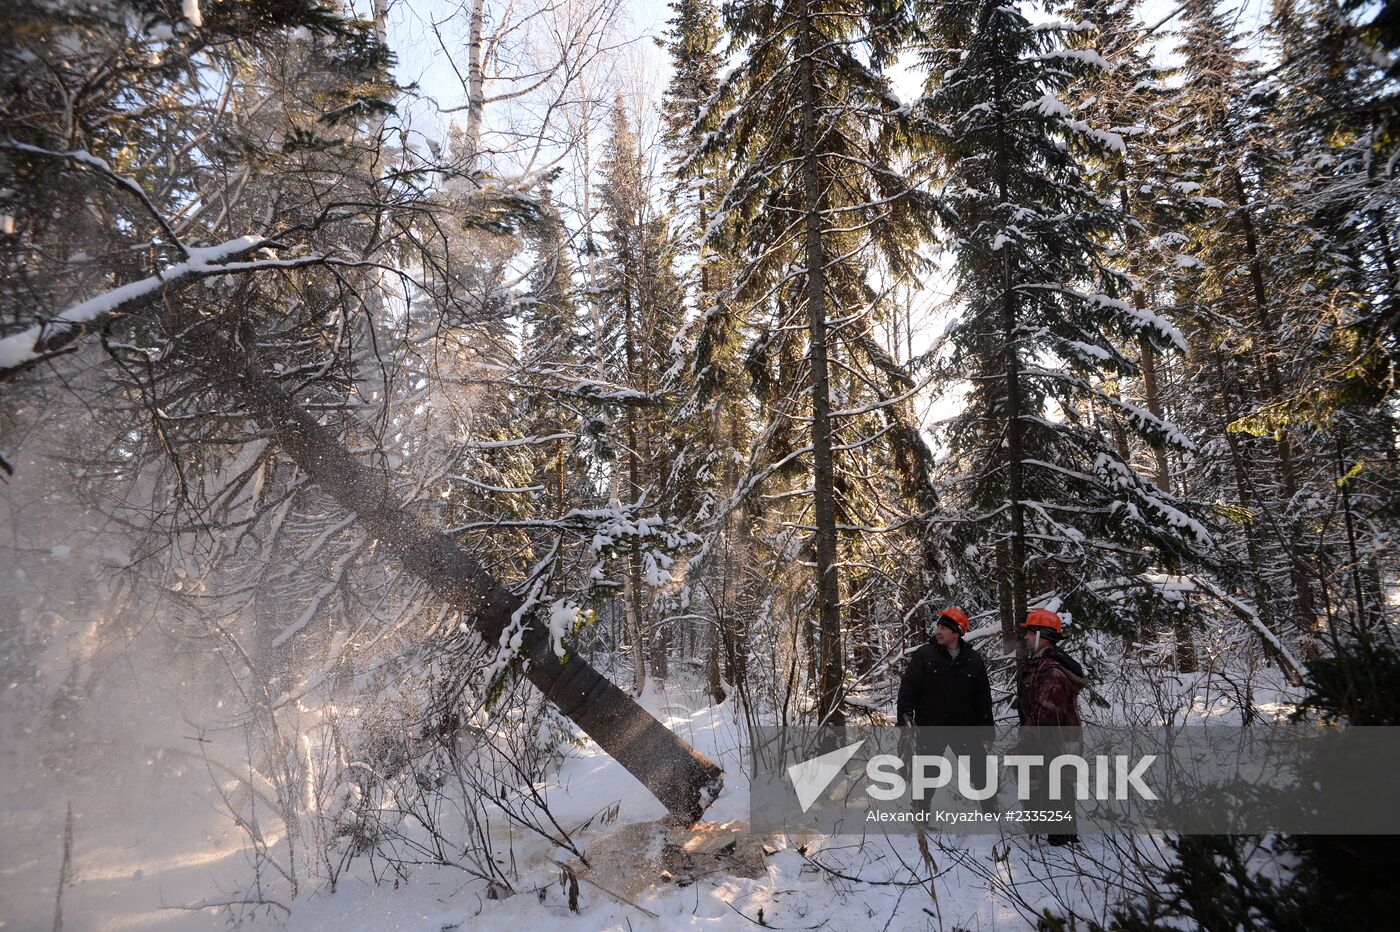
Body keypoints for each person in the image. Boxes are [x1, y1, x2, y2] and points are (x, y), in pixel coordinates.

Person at [897, 607, 996, 815]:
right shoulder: (924, 655)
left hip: (964, 727)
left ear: (957, 632)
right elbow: (908, 689)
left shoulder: (973, 659)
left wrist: (987, 732)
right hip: (931, 726)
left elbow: (982, 699)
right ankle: (920, 816)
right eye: (938, 627)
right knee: (927, 773)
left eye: (944, 628)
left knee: (980, 771)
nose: (938, 631)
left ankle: (992, 814)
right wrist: (906, 717)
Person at [1014, 609, 1085, 846]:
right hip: (1050, 740)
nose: (1025, 637)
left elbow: (1048, 712)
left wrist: (1026, 740)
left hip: (1056, 741)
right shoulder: (1041, 665)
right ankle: (1054, 836)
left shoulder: (1051, 670)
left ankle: (1063, 844)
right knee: (1047, 785)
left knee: (1058, 788)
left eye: (1029, 632)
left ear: (1042, 635)